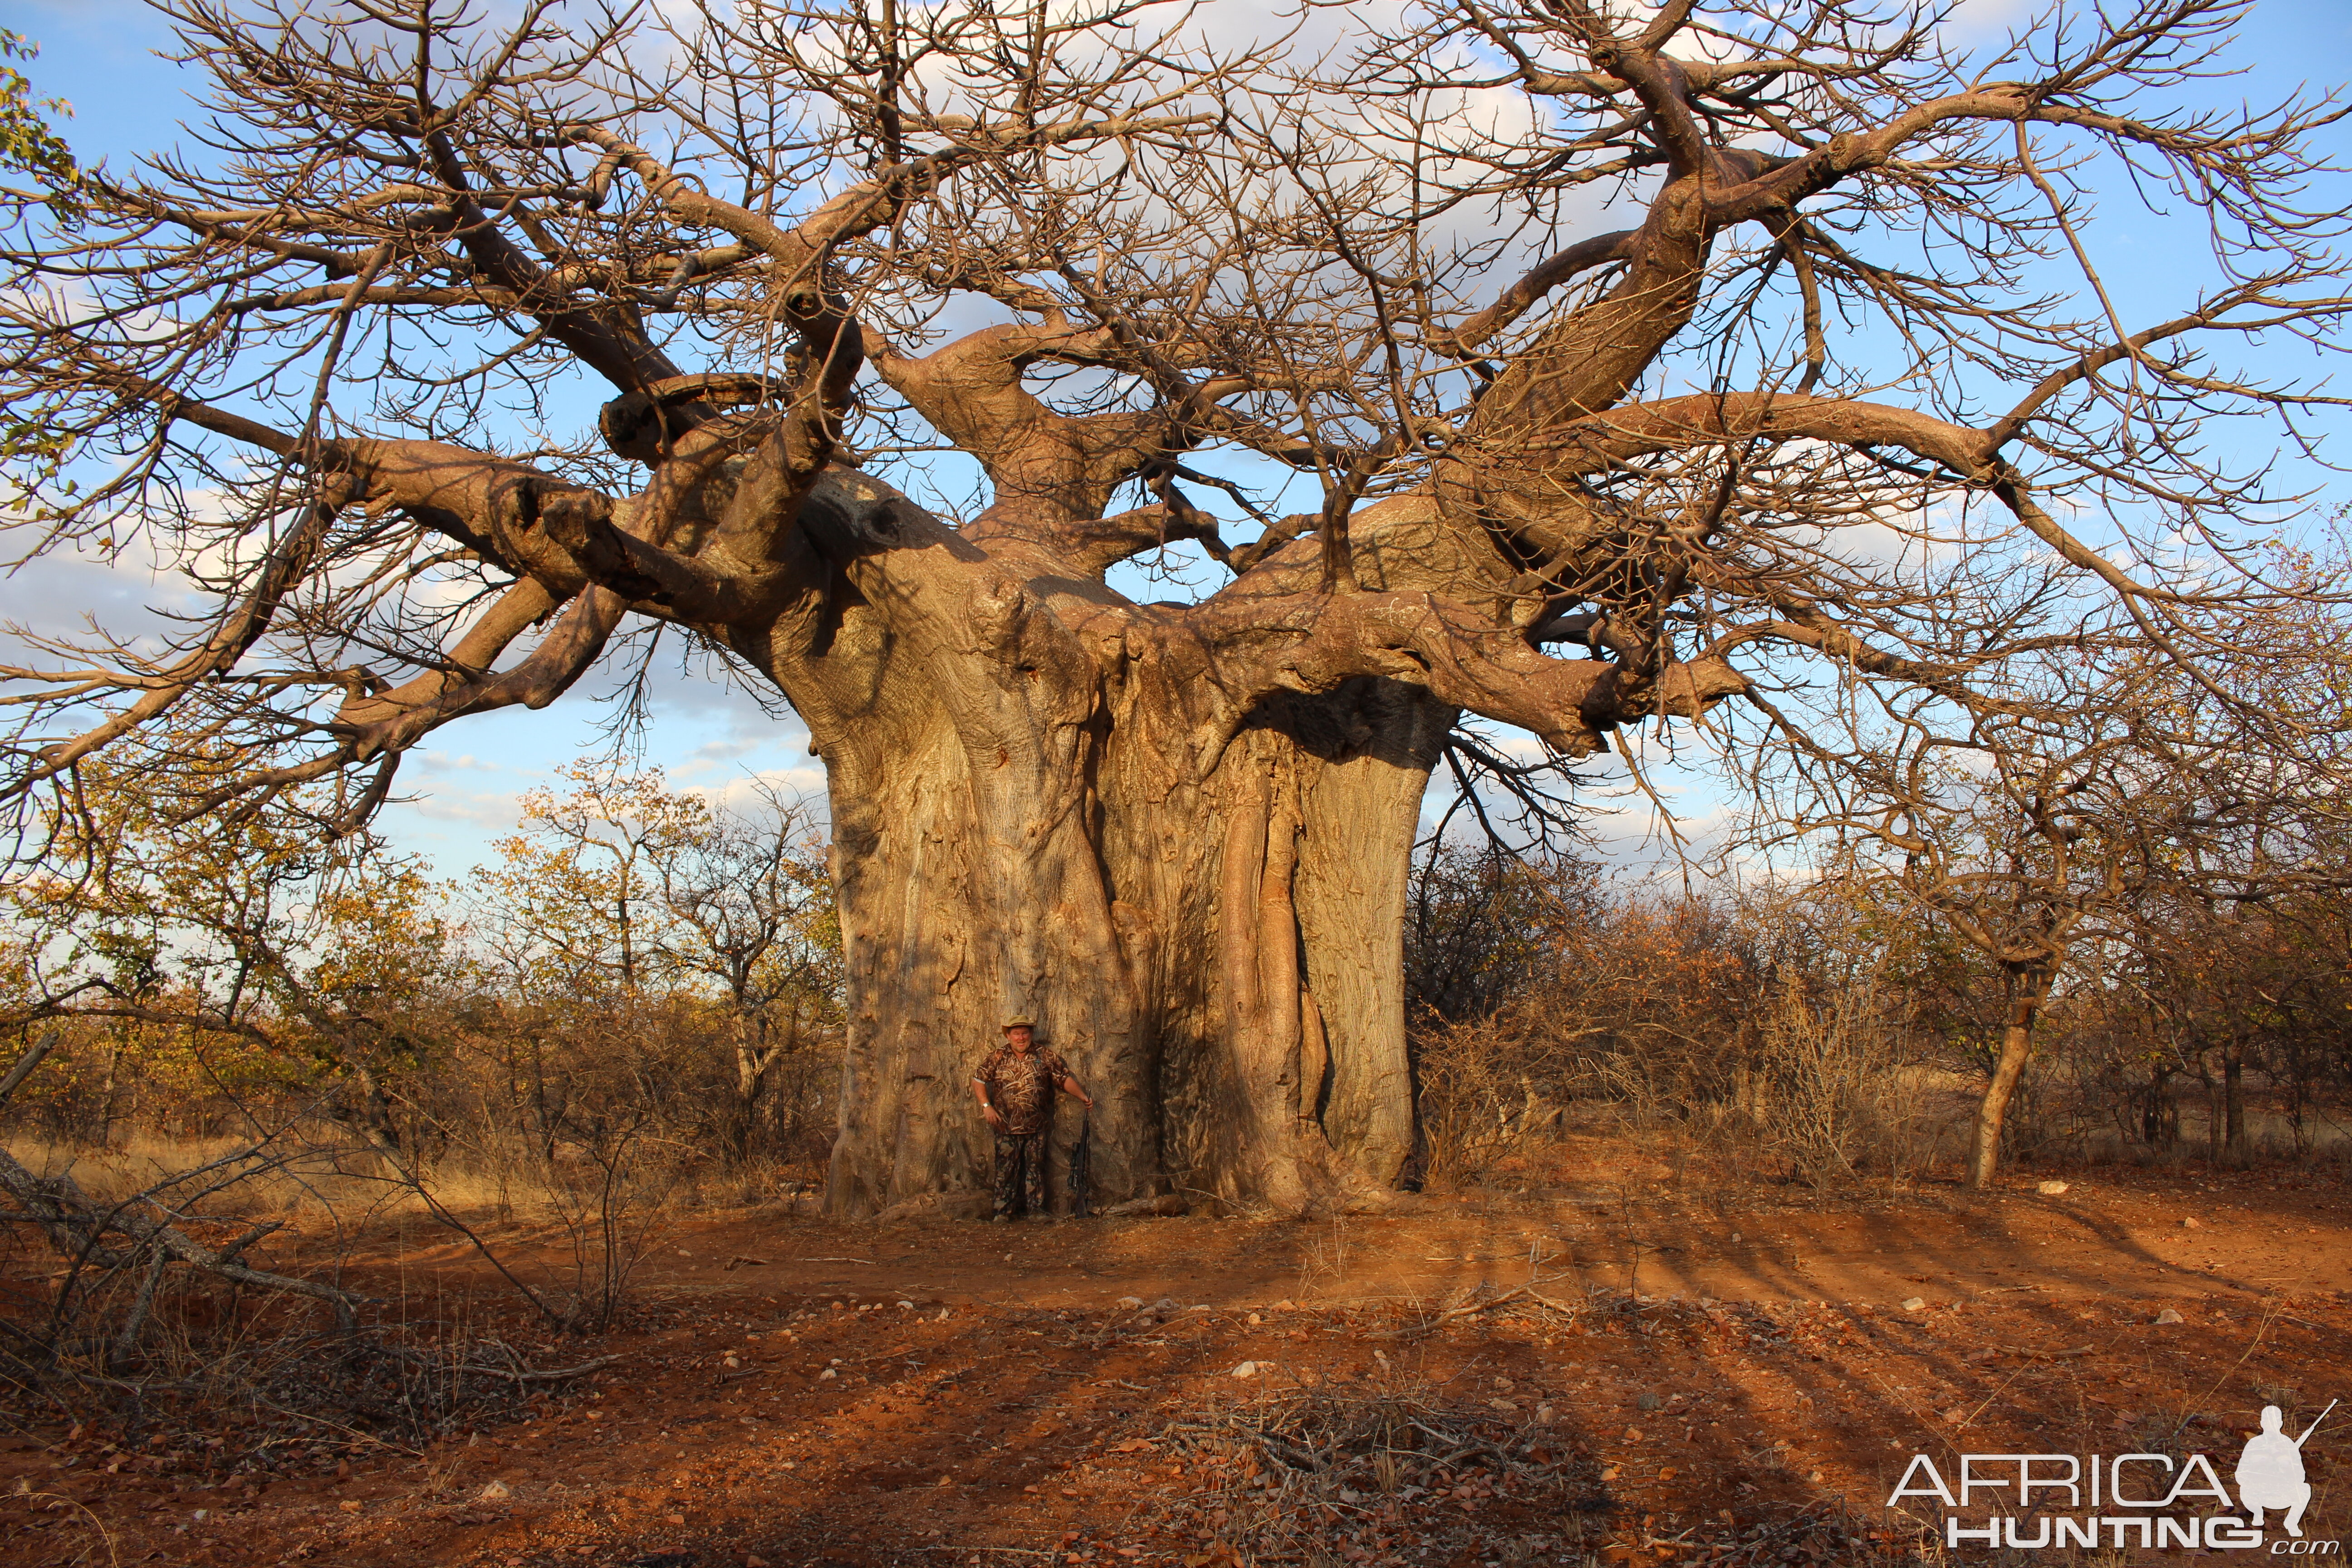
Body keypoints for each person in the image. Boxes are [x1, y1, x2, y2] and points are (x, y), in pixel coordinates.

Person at [971, 1014, 1093, 1222]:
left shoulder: (1044, 1055)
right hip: (1005, 1127)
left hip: (1036, 1127)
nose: (1021, 1038)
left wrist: (1082, 1096)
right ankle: (1002, 1213)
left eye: (1024, 1033)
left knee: (1035, 1170)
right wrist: (986, 1107)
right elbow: (978, 1080)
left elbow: (1063, 1079)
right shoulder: (998, 1056)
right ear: (1008, 1036)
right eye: (1016, 1034)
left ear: (1031, 1034)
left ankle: (1036, 1212)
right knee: (1005, 1172)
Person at [2236, 1403, 2316, 1536]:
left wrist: (2284, 1471)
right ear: (2262, 1423)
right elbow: (2240, 1474)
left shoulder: (2289, 1445)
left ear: (2280, 1423)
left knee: (2305, 1489)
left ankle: (2291, 1522)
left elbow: (2300, 1476)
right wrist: (2259, 1475)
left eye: (2274, 1421)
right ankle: (2257, 1514)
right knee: (2244, 1489)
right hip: (2258, 1492)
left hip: (2282, 1493)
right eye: (2267, 1421)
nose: (2271, 1424)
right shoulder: (2254, 1444)